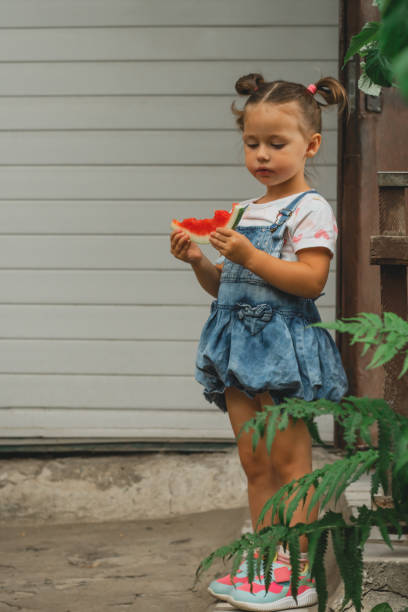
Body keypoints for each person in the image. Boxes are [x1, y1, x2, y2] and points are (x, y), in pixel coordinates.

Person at [170, 73, 348, 611]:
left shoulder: (311, 210)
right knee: (255, 463)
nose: (262, 156)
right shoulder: (246, 210)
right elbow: (227, 286)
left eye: (277, 144)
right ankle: (265, 559)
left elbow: (311, 283)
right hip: (236, 353)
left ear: (310, 145)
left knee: (291, 462)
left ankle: (297, 572)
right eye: (252, 144)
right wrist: (200, 260)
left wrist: (250, 256)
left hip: (282, 352)